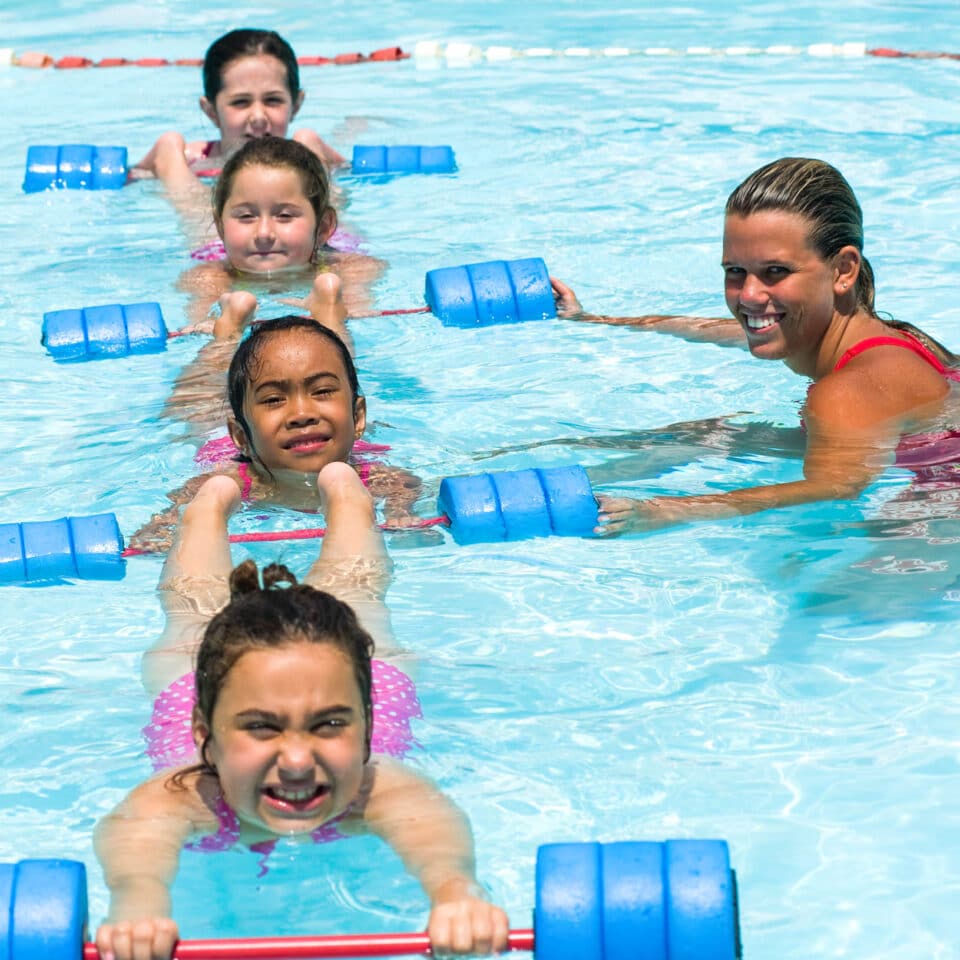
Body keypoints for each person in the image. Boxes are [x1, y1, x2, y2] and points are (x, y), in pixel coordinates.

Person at [95, 464, 509, 960]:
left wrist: (456, 893)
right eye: (261, 728)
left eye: (331, 725)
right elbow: (136, 846)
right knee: (192, 609)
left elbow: (436, 834)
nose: (296, 761)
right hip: (196, 680)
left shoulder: (376, 786)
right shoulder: (188, 794)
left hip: (351, 672)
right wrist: (138, 904)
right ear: (204, 733)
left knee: (358, 594)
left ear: (368, 725)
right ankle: (207, 507)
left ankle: (347, 494)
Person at [551, 157, 960, 535]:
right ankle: (563, 467)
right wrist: (592, 318)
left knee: (827, 597)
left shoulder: (845, 392)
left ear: (843, 270)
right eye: (735, 271)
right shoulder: (861, 330)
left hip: (945, 495)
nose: (747, 295)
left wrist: (665, 511)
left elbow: (834, 487)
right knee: (710, 434)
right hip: (919, 449)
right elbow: (715, 329)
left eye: (775, 271)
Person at [130, 308, 426, 551]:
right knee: (198, 400)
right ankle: (226, 335)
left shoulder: (376, 477)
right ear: (241, 437)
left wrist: (401, 512)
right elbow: (177, 506)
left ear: (359, 419)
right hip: (219, 443)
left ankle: (332, 314)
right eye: (274, 399)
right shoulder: (229, 481)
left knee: (331, 357)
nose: (301, 414)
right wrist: (162, 526)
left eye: (322, 392)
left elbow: (406, 486)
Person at [174, 134, 381, 329]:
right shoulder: (209, 279)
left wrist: (331, 318)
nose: (264, 234)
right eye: (246, 216)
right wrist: (227, 334)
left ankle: (310, 141)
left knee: (333, 198)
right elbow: (205, 357)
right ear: (220, 228)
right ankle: (170, 155)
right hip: (213, 248)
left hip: (335, 242)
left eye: (284, 216)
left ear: (324, 229)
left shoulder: (352, 270)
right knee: (189, 205)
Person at [131, 28, 345, 183]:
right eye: (241, 102)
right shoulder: (187, 162)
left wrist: (315, 159)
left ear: (296, 105)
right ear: (211, 111)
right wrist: (170, 165)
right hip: (207, 233)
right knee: (169, 146)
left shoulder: (309, 149)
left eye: (273, 100)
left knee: (307, 145)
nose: (259, 117)